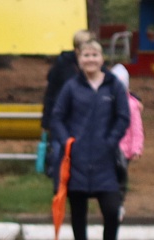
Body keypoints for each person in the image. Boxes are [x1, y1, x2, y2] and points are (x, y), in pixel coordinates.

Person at [50, 38, 132, 240]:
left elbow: (123, 117)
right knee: (78, 211)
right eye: (86, 55)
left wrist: (110, 141)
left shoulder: (113, 85)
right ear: (79, 59)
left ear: (102, 58)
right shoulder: (71, 87)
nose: (90, 60)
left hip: (105, 160)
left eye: (94, 55)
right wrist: (68, 143)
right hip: (76, 160)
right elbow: (57, 117)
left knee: (111, 209)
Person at [40, 28, 95, 161]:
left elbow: (112, 84)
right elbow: (51, 94)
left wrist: (134, 98)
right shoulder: (62, 64)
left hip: (87, 119)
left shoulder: (95, 65)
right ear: (77, 49)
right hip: (64, 119)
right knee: (60, 153)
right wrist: (46, 123)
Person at [112, 62, 145, 205]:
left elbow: (137, 128)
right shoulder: (106, 101)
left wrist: (136, 148)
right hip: (109, 147)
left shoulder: (131, 105)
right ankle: (111, 201)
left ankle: (119, 201)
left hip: (125, 149)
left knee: (121, 173)